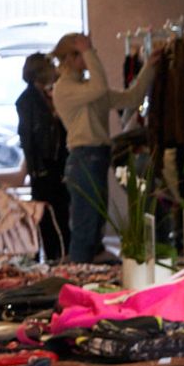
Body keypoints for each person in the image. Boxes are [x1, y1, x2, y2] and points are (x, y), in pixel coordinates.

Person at [49, 33, 155, 262]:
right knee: (85, 230)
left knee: (94, 225)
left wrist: (149, 66)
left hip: (95, 157)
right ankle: (78, 283)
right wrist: (88, 52)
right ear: (72, 57)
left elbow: (131, 98)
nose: (91, 56)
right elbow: (100, 87)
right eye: (86, 52)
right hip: (84, 158)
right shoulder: (64, 88)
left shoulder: (85, 89)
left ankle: (85, 282)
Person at [14, 53, 70, 261]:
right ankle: (54, 256)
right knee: (49, 214)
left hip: (53, 165)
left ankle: (59, 255)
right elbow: (29, 138)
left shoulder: (46, 97)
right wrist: (36, 169)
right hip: (45, 167)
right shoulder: (28, 101)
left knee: (60, 213)